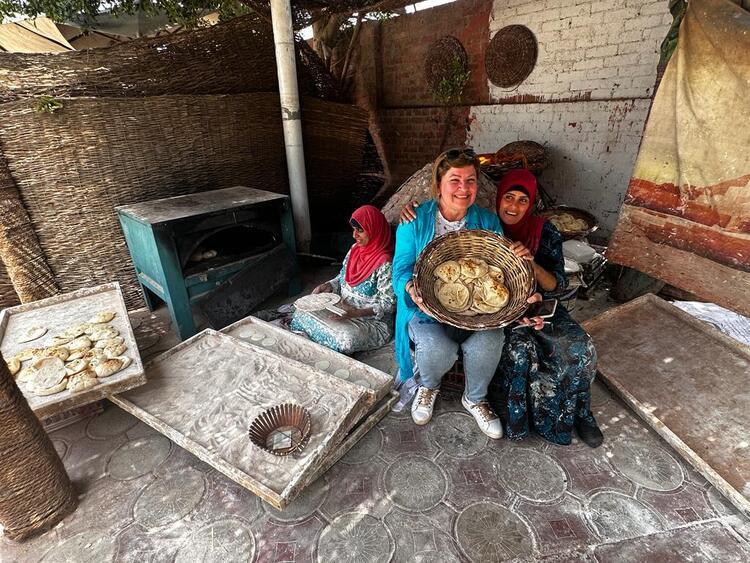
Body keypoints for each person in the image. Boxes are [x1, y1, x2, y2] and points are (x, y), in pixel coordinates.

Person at [400, 168, 603, 447]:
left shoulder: (544, 231)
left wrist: (531, 269)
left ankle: (580, 414)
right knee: (519, 352)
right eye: (509, 197)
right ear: (498, 199)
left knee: (577, 347)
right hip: (505, 313)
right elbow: (411, 262)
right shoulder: (485, 224)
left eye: (523, 200)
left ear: (531, 204)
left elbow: (556, 285)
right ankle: (515, 417)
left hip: (537, 306)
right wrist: (410, 211)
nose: (514, 206)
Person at [393, 148, 521, 439]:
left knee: (489, 342)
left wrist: (518, 256)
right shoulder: (414, 220)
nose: (464, 189)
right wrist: (411, 289)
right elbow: (400, 270)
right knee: (436, 348)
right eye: (455, 180)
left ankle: (475, 398)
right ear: (439, 184)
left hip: (477, 310)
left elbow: (497, 266)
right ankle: (429, 386)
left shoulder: (487, 221)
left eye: (471, 180)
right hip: (426, 306)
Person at [290, 205, 395, 354]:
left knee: (346, 339)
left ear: (375, 230)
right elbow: (342, 277)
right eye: (353, 230)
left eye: (360, 230)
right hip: (342, 310)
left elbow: (389, 305)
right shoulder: (354, 250)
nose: (354, 235)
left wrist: (356, 313)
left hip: (371, 322)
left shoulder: (385, 263)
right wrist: (329, 285)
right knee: (300, 313)